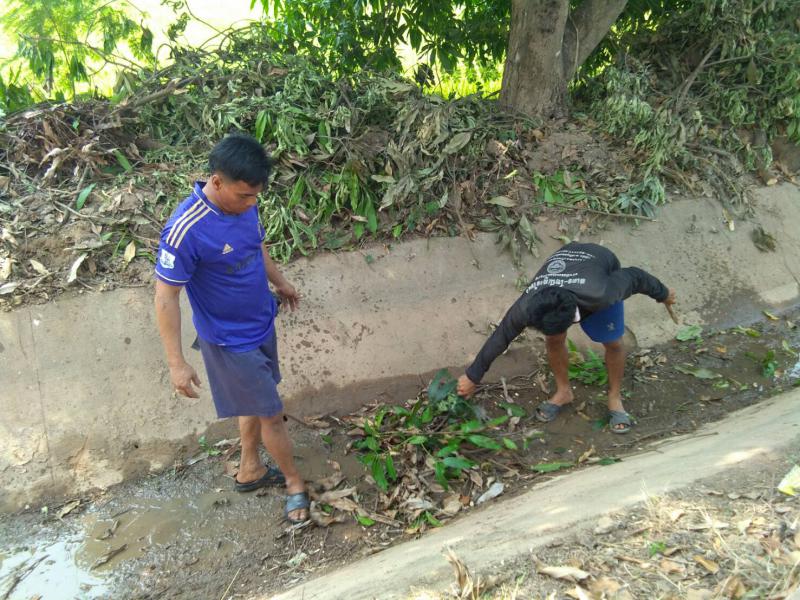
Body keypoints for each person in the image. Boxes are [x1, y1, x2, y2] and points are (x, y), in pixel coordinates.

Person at [154, 133, 309, 522]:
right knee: (270, 412)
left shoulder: (245, 206)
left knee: (255, 399)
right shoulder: (186, 228)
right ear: (216, 181)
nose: (251, 203)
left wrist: (280, 282)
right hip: (229, 340)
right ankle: (295, 484)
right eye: (244, 196)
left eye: (256, 196)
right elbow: (166, 296)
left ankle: (250, 468)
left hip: (261, 322)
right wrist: (176, 363)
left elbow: (256, 246)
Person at [456, 242, 676, 434]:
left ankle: (614, 398)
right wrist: (473, 376)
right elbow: (501, 335)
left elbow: (636, 276)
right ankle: (564, 392)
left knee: (613, 342)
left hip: (601, 262)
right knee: (554, 340)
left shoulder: (602, 293)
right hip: (569, 257)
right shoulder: (527, 305)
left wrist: (663, 294)